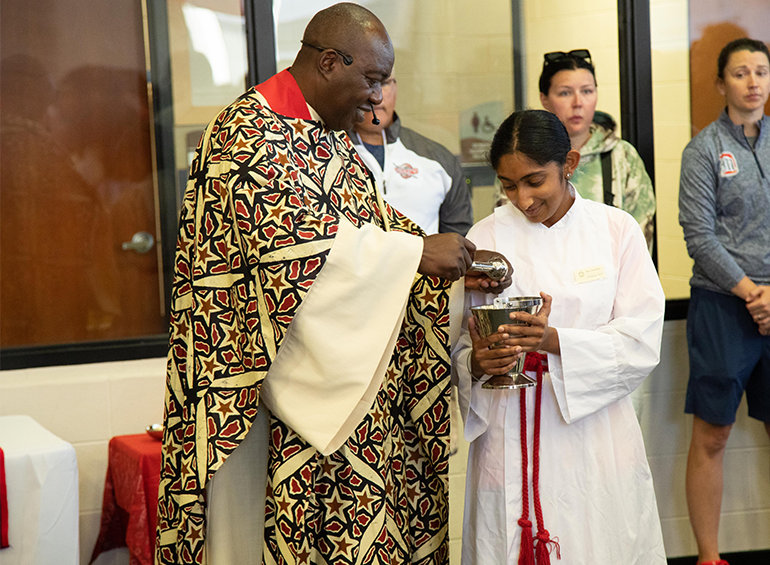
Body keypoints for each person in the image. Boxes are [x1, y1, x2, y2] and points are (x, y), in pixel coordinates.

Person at [155, 4, 508, 565]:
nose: (377, 99)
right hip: (255, 390)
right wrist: (417, 252)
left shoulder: (330, 137)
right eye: (371, 81)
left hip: (341, 374)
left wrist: (457, 259)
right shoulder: (246, 136)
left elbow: (371, 224)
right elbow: (290, 253)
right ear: (327, 62)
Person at [452, 109, 666, 564]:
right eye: (509, 186)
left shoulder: (615, 230)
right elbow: (457, 343)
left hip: (594, 431)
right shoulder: (483, 237)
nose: (523, 199)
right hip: (509, 429)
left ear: (568, 163)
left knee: (599, 541)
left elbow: (642, 339)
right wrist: (476, 362)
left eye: (534, 181)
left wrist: (552, 341)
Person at [678, 38, 770, 565]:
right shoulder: (704, 149)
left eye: (761, 71)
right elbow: (699, 236)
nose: (753, 81)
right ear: (721, 84)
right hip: (721, 307)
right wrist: (751, 292)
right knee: (713, 434)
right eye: (740, 73)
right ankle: (709, 557)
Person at [538, 49, 656, 253]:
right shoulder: (526, 157)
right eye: (565, 93)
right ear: (545, 99)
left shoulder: (621, 156)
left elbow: (639, 237)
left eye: (587, 91)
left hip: (610, 279)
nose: (578, 103)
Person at [348, 73, 473, 236]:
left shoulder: (438, 159)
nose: (375, 96)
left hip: (425, 262)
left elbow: (459, 240)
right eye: (366, 83)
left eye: (384, 83)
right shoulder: (326, 154)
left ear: (395, 88)